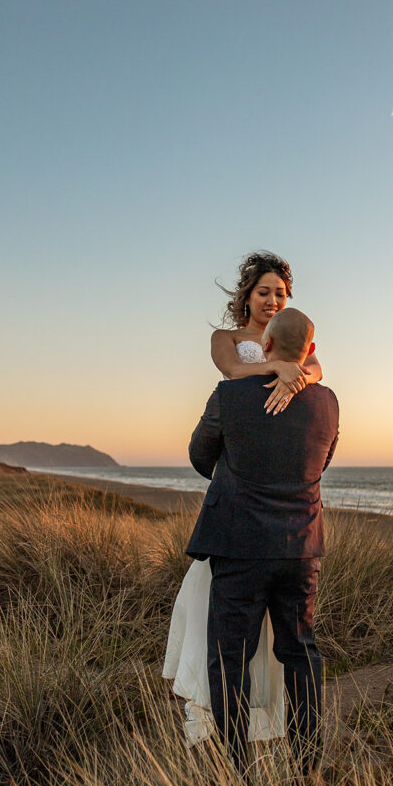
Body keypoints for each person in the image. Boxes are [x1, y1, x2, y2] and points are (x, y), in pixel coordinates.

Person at [162, 252, 323, 745]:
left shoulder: (302, 346)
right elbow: (233, 369)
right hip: (273, 520)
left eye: (281, 293)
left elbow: (317, 371)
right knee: (273, 646)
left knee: (246, 648)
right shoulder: (228, 341)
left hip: (253, 523)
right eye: (264, 292)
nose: (273, 300)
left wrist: (301, 375)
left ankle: (252, 750)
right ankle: (283, 749)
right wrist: (284, 369)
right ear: (246, 296)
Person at [187, 307, 339, 772]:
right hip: (301, 547)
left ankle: (237, 769)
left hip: (238, 545)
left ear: (266, 347)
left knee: (228, 657)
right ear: (309, 352)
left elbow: (199, 455)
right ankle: (307, 768)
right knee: (301, 652)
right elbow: (322, 461)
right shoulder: (328, 401)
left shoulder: (230, 394)